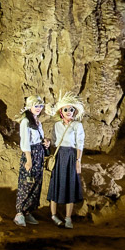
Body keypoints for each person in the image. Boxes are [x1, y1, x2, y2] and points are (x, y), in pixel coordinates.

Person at [46, 93, 85, 228]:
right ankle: (53, 215)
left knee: (70, 185)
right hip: (59, 155)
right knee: (56, 183)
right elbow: (54, 142)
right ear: (61, 112)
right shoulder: (57, 125)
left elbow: (80, 143)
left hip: (70, 156)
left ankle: (68, 218)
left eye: (71, 109)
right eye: (66, 109)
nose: (69, 112)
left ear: (74, 112)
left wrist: (78, 160)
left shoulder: (77, 125)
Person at [14, 96, 48, 227]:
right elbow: (25, 142)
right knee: (26, 182)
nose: (39, 109)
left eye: (40, 106)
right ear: (29, 107)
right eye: (36, 106)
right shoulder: (25, 122)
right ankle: (19, 213)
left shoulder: (37, 121)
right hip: (31, 154)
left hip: (39, 153)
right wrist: (29, 160)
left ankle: (28, 211)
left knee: (36, 183)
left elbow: (39, 138)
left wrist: (46, 142)